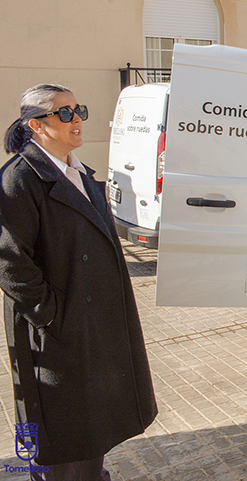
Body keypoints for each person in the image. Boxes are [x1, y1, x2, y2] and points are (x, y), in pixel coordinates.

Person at [0, 84, 157, 480]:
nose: (76, 120)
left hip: (92, 326)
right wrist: (53, 315)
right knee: (66, 431)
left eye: (77, 110)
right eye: (64, 113)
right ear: (36, 125)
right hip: (58, 333)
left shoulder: (78, 171)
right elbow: (9, 261)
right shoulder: (19, 179)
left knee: (93, 425)